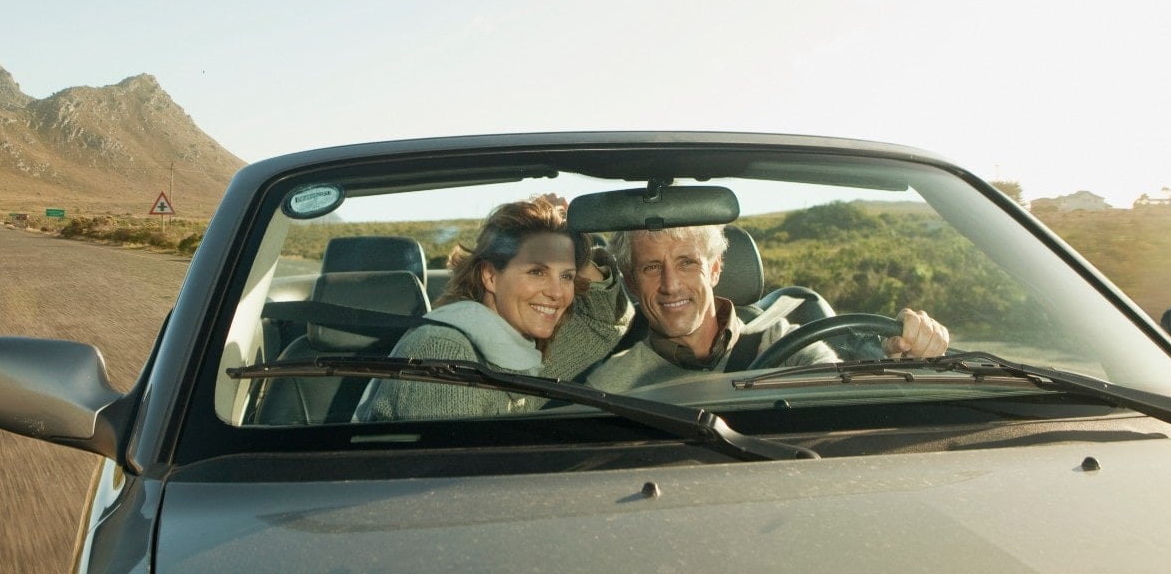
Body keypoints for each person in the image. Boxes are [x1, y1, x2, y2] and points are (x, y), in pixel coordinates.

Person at [358, 197, 632, 421]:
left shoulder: (517, 347)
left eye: (567, 276)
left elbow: (603, 320)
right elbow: (451, 480)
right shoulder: (445, 351)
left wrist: (569, 235)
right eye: (537, 271)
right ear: (490, 276)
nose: (557, 293)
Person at [582, 225, 949, 392]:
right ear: (630, 282)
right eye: (650, 268)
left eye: (687, 263)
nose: (670, 284)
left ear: (714, 268)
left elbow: (845, 394)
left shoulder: (785, 344)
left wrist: (904, 361)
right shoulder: (611, 385)